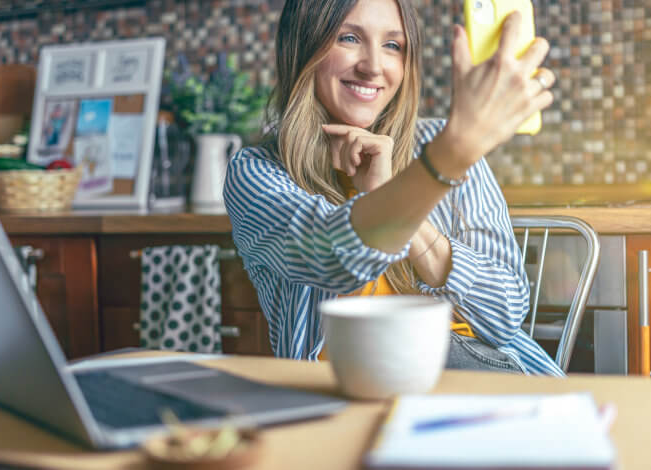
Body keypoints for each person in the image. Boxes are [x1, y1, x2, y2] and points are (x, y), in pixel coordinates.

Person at [223, 0, 563, 375]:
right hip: (343, 390)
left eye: (392, 45)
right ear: (303, 48)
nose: (372, 67)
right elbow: (336, 260)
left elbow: (505, 314)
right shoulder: (256, 173)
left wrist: (399, 190)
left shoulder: (439, 141)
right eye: (349, 38)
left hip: (475, 378)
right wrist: (447, 160)